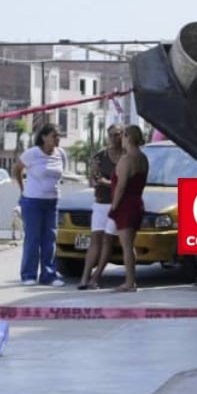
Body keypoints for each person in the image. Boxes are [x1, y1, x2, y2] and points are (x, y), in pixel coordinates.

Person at [13, 123, 67, 287]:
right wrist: (22, 188)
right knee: (33, 238)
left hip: (52, 201)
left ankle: (49, 274)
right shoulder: (33, 153)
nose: (57, 139)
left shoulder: (61, 154)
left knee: (50, 238)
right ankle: (28, 274)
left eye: (58, 136)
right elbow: (16, 169)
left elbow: (60, 174)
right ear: (44, 137)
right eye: (53, 136)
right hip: (32, 201)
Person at [79, 124, 125, 290]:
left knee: (108, 240)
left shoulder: (127, 156)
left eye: (118, 134)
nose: (115, 138)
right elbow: (92, 180)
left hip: (117, 204)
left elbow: (126, 182)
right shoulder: (101, 156)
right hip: (100, 202)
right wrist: (95, 179)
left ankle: (95, 278)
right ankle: (85, 277)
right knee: (95, 240)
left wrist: (107, 182)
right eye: (112, 135)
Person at [108, 125, 149, 293]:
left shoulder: (126, 160)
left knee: (126, 246)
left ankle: (129, 282)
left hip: (125, 205)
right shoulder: (143, 158)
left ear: (127, 137)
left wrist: (114, 206)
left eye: (123, 135)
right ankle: (131, 281)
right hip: (137, 202)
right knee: (129, 245)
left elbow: (121, 186)